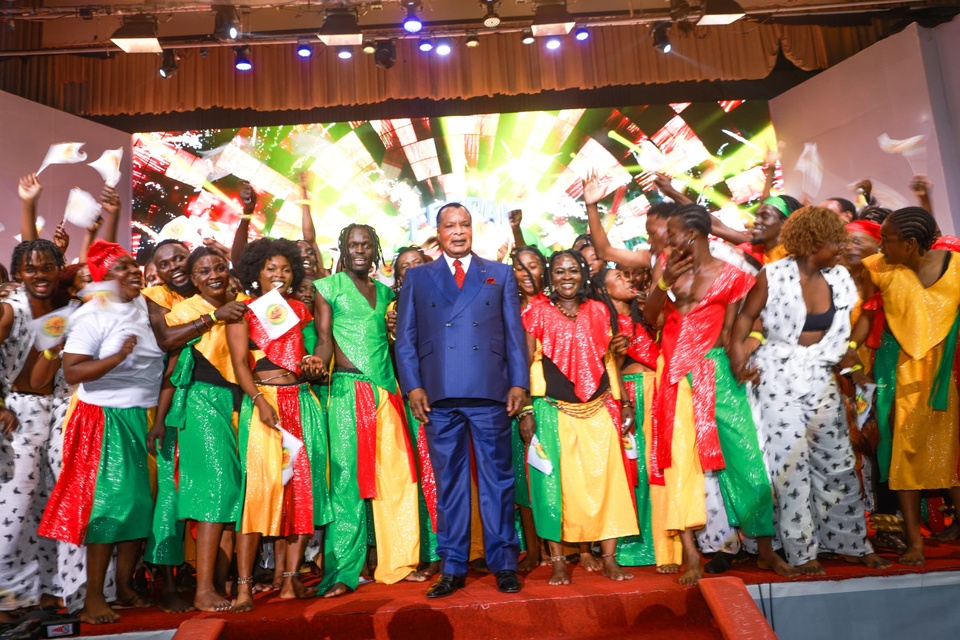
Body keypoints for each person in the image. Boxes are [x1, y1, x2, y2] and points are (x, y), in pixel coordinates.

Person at [729, 206, 890, 575]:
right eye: (836, 241)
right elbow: (744, 318)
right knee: (790, 465)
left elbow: (842, 337)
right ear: (815, 242)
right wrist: (739, 360)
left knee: (837, 461)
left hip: (819, 375)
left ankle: (850, 542)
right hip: (777, 377)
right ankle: (802, 551)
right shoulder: (773, 275)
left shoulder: (841, 280)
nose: (842, 248)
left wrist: (852, 368)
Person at [643, 204, 791, 584]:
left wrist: (744, 354)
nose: (666, 239)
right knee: (678, 461)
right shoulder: (666, 268)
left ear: (691, 235)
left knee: (745, 457)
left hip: (718, 372)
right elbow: (649, 318)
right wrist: (662, 285)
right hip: (675, 372)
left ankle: (764, 549)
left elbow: (747, 325)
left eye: (671, 232)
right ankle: (692, 554)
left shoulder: (735, 277)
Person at [395, 202, 529, 598]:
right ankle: (452, 566)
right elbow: (406, 339)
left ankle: (504, 562)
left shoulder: (499, 273)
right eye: (450, 225)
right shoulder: (418, 278)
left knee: (498, 481)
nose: (458, 232)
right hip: (438, 394)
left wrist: (518, 382)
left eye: (464, 224)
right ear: (437, 232)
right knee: (449, 482)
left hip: (490, 389)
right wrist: (414, 387)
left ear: (473, 229)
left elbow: (513, 334)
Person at [38, 240, 164, 624]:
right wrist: (116, 358)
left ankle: (124, 587)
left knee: (139, 505)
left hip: (143, 414)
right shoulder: (92, 315)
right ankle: (94, 596)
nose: (133, 272)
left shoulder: (144, 304)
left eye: (132, 265)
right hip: (104, 417)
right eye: (122, 268)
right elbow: (73, 371)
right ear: (103, 279)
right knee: (109, 507)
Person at [314, 224, 424, 597]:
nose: (359, 250)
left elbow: (393, 341)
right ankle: (344, 572)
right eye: (352, 244)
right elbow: (326, 339)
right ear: (343, 248)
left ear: (376, 250)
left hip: (387, 393)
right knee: (346, 485)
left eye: (366, 245)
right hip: (347, 392)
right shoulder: (327, 288)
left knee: (397, 479)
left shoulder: (385, 293)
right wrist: (317, 360)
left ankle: (400, 562)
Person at [225, 238, 332, 612]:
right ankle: (243, 588)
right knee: (257, 495)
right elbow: (240, 364)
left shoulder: (301, 310)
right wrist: (257, 401)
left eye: (286, 269)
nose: (279, 275)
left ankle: (290, 582)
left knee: (302, 492)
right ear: (255, 271)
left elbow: (307, 353)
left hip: (301, 403)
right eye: (271, 268)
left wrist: (311, 365)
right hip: (265, 406)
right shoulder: (244, 313)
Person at [522, 251, 639, 585]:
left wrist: (625, 401)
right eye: (559, 271)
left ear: (585, 274)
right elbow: (522, 360)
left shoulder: (600, 310)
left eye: (573, 270)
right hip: (552, 408)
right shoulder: (535, 312)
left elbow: (609, 359)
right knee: (552, 486)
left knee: (608, 482)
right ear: (550, 277)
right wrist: (527, 410)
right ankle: (558, 561)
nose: (567, 277)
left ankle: (610, 559)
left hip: (599, 407)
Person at [856, 206, 960, 566]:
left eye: (887, 239)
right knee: (903, 456)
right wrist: (851, 357)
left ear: (912, 243)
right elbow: (865, 317)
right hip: (901, 375)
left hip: (948, 377)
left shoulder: (957, 269)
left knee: (953, 461)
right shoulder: (879, 269)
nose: (880, 246)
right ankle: (915, 542)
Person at [147, 247, 248, 612]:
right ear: (193, 280)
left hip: (235, 406)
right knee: (216, 492)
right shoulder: (186, 311)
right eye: (204, 271)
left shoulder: (240, 306)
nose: (214, 275)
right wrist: (160, 419)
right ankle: (203, 589)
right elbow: (170, 355)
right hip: (201, 404)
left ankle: (215, 585)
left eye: (219, 267)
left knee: (229, 497)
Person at [0, 239, 65, 620]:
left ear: (59, 267)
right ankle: (4, 596)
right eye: (30, 268)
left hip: (51, 416)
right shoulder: (9, 310)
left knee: (42, 509)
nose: (39, 275)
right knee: (14, 508)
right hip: (15, 417)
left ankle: (29, 593)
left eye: (47, 267)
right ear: (19, 273)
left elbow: (47, 370)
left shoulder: (62, 311)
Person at [591, 267, 665, 571]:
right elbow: (609, 369)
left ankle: (661, 547)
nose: (628, 281)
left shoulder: (644, 315)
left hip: (659, 390)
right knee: (635, 470)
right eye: (618, 279)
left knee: (659, 467)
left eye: (627, 276)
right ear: (603, 291)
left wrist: (655, 305)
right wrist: (624, 402)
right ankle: (631, 548)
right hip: (630, 396)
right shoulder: (604, 322)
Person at [388, 246, 441, 578]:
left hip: (444, 397)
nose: (410, 270)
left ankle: (449, 547)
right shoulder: (390, 310)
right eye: (403, 267)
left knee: (441, 475)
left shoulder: (445, 297)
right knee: (416, 477)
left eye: (416, 264)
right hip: (406, 403)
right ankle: (423, 549)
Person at [511, 245, 549, 571]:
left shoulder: (555, 307)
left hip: (554, 403)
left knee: (554, 476)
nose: (526, 273)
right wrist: (524, 409)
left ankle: (565, 548)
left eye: (533, 266)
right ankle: (535, 552)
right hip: (521, 402)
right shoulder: (506, 310)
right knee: (525, 480)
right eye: (519, 268)